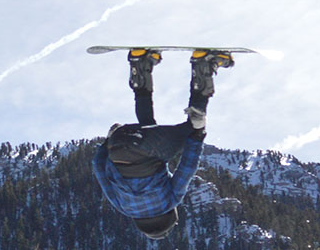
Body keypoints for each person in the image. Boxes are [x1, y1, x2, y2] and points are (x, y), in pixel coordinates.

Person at [91, 49, 233, 238]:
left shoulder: (168, 203)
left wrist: (197, 136)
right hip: (120, 142)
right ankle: (140, 64)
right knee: (147, 127)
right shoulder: (122, 207)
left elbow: (187, 169)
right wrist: (108, 142)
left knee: (193, 125)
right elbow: (98, 167)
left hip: (148, 150)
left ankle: (204, 65)